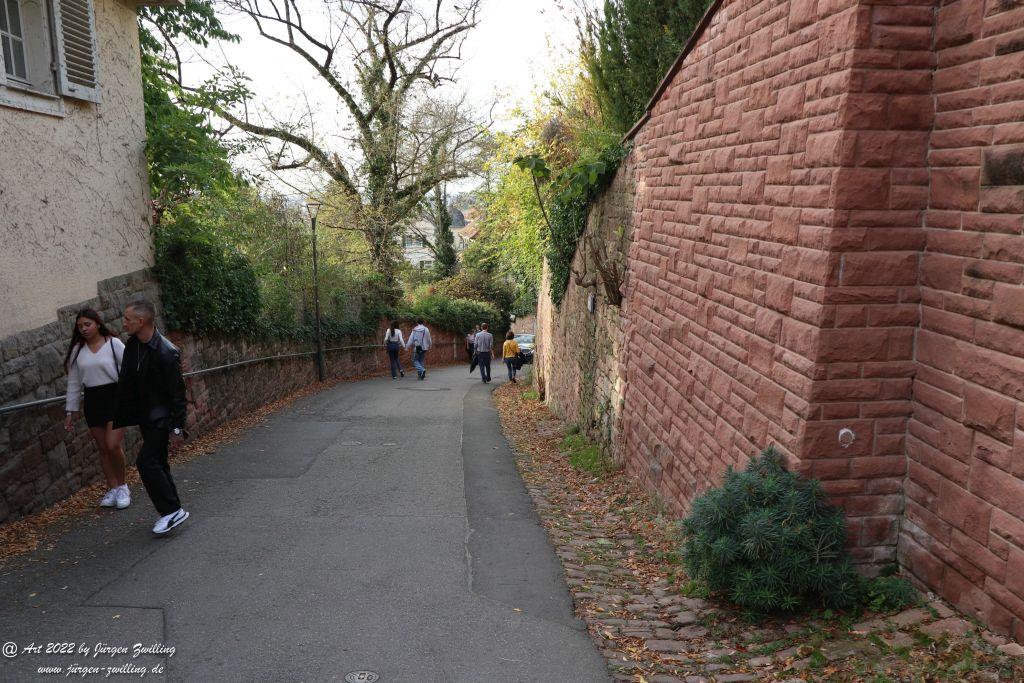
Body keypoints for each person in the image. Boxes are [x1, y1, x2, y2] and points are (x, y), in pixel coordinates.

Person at [113, 299, 190, 535]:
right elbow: (129, 381)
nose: (124, 323)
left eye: (127, 319)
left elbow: (178, 394)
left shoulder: (166, 353)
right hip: (145, 416)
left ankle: (171, 510)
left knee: (146, 462)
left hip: (162, 419)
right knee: (158, 462)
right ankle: (173, 509)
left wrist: (177, 428)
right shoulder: (133, 345)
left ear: (141, 320)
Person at [63, 308, 130, 509]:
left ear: (97, 324)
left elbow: (129, 372)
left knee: (112, 445)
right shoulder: (77, 350)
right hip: (92, 400)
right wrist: (70, 411)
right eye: (80, 326)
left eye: (87, 324)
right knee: (102, 449)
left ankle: (124, 486)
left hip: (114, 398)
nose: (83, 329)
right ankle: (113, 488)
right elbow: (74, 383)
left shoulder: (113, 344)